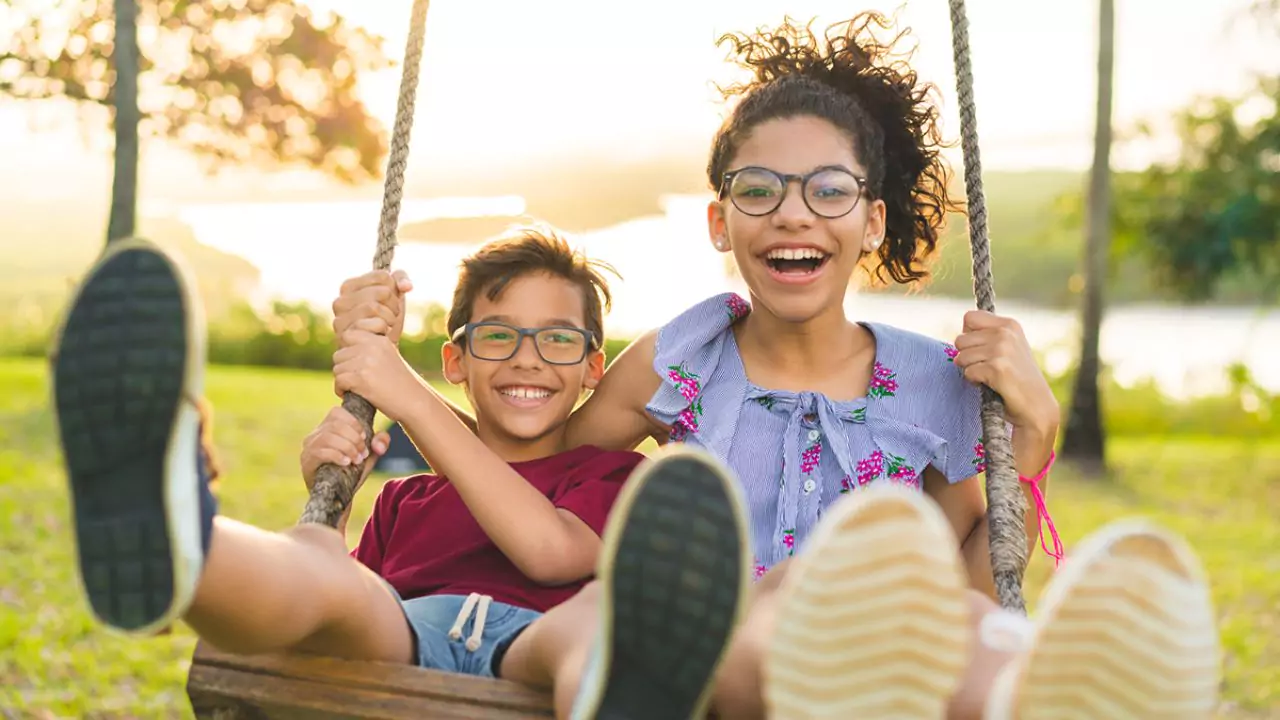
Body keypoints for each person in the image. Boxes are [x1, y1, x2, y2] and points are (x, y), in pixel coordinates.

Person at [335, 14, 1221, 719]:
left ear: (872, 221)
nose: (794, 215)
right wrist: (382, 398)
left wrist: (1031, 443)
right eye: (759, 190)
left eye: (829, 190)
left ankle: (1040, 689)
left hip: (884, 650)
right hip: (731, 655)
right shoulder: (682, 360)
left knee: (953, 618)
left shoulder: (943, 384)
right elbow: (533, 461)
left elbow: (972, 569)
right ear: (720, 224)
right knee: (769, 628)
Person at [51, 230, 752, 720]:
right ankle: (181, 540)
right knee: (324, 566)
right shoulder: (405, 498)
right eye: (497, 335)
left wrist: (404, 392)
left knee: (603, 617)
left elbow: (549, 551)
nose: (528, 358)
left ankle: (621, 696)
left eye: (559, 340)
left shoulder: (612, 475)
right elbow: (340, 614)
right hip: (407, 637)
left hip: (538, 644)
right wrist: (332, 498)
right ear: (456, 362)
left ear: (593, 368)